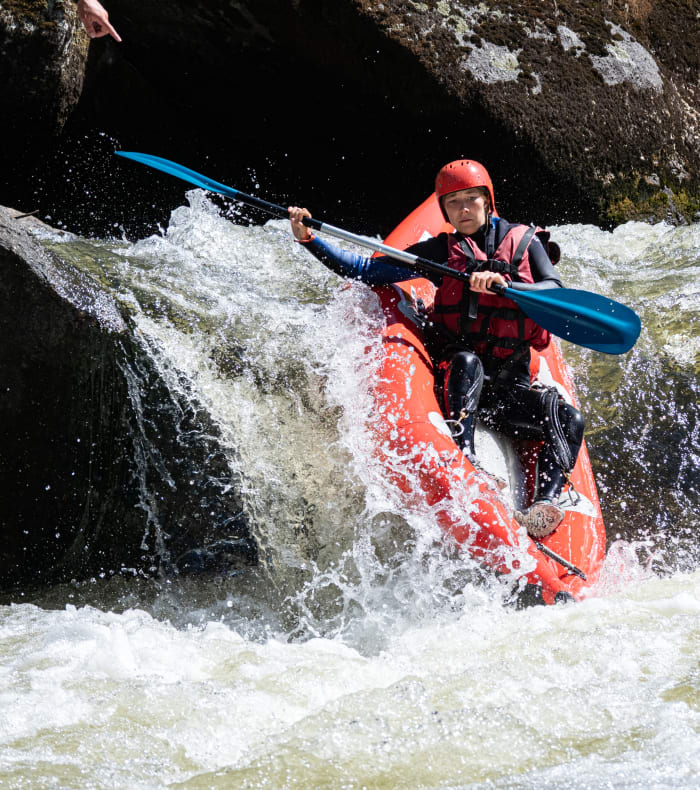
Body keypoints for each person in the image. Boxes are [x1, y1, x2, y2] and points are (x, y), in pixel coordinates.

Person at [288, 160, 585, 539]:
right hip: (461, 384)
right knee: (466, 361)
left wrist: (505, 284)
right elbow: (364, 268)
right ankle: (467, 460)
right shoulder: (442, 252)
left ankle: (546, 502)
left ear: (487, 201)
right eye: (453, 203)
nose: (463, 209)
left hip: (509, 391)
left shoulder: (527, 244)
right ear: (444, 211)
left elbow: (556, 292)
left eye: (471, 199)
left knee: (569, 418)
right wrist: (308, 239)